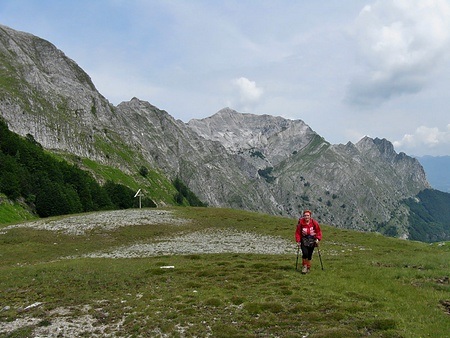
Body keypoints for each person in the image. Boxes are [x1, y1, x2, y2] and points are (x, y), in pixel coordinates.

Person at [295, 210, 322, 274]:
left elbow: (318, 231)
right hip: (304, 239)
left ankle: (308, 266)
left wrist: (318, 239)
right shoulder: (300, 223)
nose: (306, 217)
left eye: (308, 215)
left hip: (312, 240)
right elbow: (298, 233)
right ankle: (304, 266)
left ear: (310, 216)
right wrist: (298, 241)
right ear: (303, 216)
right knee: (305, 253)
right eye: (305, 215)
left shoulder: (314, 223)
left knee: (310, 254)